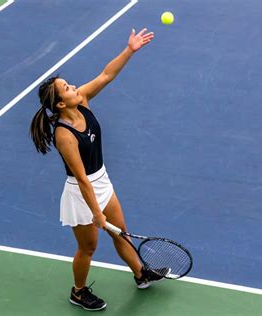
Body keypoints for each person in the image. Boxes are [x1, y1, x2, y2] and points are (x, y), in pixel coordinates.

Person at [30, 28, 166, 311]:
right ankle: (78, 292)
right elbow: (80, 178)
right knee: (88, 248)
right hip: (82, 195)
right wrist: (96, 212)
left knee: (122, 233)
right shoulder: (64, 135)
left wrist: (130, 50)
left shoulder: (82, 100)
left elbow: (106, 75)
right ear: (59, 104)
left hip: (101, 181)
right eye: (67, 88)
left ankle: (141, 274)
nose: (73, 87)